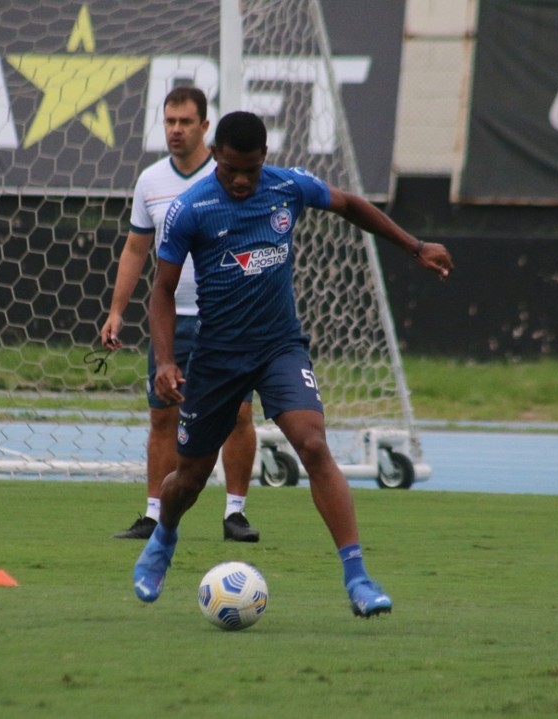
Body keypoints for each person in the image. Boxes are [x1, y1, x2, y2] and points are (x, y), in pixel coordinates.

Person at [133, 111, 453, 618]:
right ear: (215, 155)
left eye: (251, 170)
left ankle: (358, 578)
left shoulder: (287, 187)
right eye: (232, 169)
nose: (241, 180)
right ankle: (163, 539)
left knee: (312, 443)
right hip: (217, 357)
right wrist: (167, 361)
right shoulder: (189, 210)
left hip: (280, 346)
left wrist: (414, 247)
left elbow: (348, 204)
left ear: (265, 160)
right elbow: (163, 292)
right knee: (189, 479)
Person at [101, 88, 260, 543]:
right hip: (173, 320)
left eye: (185, 121)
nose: (175, 129)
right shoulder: (151, 181)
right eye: (169, 121)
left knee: (239, 414)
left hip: (227, 318)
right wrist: (116, 310)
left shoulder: (232, 177)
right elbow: (136, 248)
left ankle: (235, 513)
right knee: (163, 416)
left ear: (205, 127)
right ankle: (154, 514)